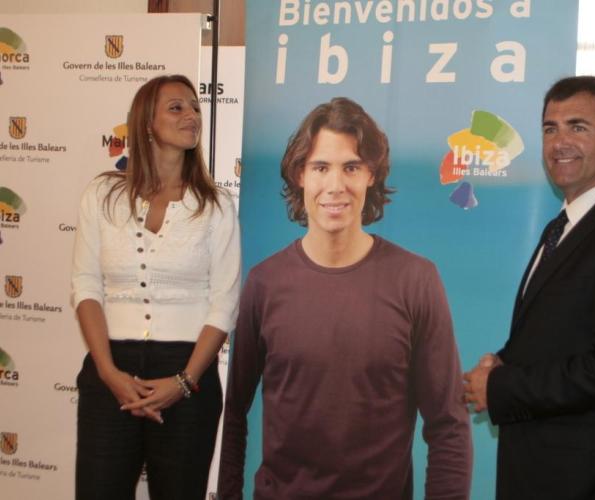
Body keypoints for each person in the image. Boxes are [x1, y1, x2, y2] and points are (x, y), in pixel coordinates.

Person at [218, 97, 472, 499]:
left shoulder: (416, 281)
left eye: (351, 167)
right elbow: (233, 414)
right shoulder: (264, 283)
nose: (335, 186)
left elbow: (448, 425)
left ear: (371, 174)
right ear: (300, 175)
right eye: (321, 167)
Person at [463, 76, 595, 499]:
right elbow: (563, 333)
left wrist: (503, 388)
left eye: (578, 127)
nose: (560, 142)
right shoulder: (561, 226)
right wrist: (504, 363)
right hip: (544, 471)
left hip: (591, 478)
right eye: (550, 128)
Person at [71, 74, 241, 500]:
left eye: (195, 107)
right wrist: (108, 372)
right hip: (110, 368)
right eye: (176, 107)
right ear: (147, 123)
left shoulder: (215, 205)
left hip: (188, 373)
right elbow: (86, 285)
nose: (191, 116)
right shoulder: (102, 195)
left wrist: (183, 382)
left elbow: (224, 302)